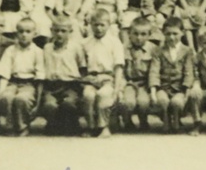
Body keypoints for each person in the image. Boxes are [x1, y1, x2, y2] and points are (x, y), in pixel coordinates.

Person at [0, 17, 45, 136]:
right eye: (21, 31)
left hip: (29, 84)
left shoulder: (37, 52)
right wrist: (0, 93)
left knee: (21, 99)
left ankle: (22, 126)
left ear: (35, 34)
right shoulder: (10, 50)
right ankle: (9, 126)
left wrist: (38, 101)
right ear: (16, 33)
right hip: (12, 82)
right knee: (7, 97)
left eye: (28, 32)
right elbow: (4, 72)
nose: (24, 35)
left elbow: (40, 76)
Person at [80, 8, 125, 138]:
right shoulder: (85, 43)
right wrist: (86, 80)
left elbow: (118, 67)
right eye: (96, 25)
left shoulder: (114, 42)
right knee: (88, 95)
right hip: (91, 79)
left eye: (102, 25)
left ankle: (103, 127)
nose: (99, 28)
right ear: (90, 25)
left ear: (109, 25)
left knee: (103, 95)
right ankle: (91, 126)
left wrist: (117, 89)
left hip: (108, 78)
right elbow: (83, 67)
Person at [40, 15, 87, 136]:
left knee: (69, 103)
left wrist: (80, 84)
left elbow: (82, 67)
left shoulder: (76, 47)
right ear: (51, 31)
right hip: (51, 86)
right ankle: (53, 124)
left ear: (70, 32)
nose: (59, 34)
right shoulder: (47, 48)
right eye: (56, 30)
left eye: (63, 31)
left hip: (70, 85)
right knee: (49, 104)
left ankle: (72, 124)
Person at [149, 16, 197, 134]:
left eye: (175, 34)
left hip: (179, 88)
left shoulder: (187, 51)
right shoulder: (158, 51)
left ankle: (176, 121)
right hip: (163, 87)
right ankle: (166, 121)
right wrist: (153, 92)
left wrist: (186, 91)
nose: (171, 37)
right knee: (162, 100)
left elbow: (188, 72)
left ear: (182, 33)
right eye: (168, 34)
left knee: (177, 102)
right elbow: (154, 71)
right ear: (163, 33)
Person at [116, 19, 156, 132]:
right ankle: (127, 121)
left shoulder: (153, 49)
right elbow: (121, 71)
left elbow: (154, 72)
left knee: (143, 102)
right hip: (129, 83)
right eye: (135, 34)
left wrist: (152, 89)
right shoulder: (123, 49)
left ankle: (143, 121)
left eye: (143, 34)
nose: (139, 38)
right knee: (128, 102)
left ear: (149, 35)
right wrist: (121, 88)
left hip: (144, 83)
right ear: (129, 34)